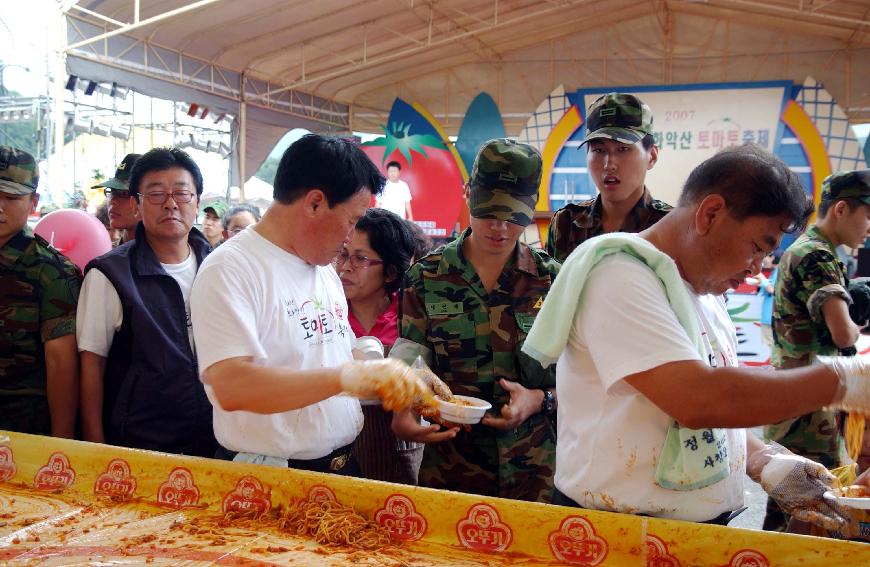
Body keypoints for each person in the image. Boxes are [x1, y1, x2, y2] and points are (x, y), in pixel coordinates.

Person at [522, 144, 870, 533]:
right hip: (619, 533)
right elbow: (698, 399)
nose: (756, 269)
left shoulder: (703, 292)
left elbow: (708, 404)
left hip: (683, 532)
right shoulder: (619, 275)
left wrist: (762, 460)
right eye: (758, 247)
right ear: (711, 213)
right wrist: (841, 380)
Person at [189, 134, 430, 476]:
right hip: (273, 474)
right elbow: (231, 385)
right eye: (351, 220)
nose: (350, 236)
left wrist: (374, 362)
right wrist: (349, 376)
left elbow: (332, 351)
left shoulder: (322, 270)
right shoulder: (232, 268)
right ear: (315, 203)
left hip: (342, 462)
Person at [391, 139, 560, 502]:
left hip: (536, 478)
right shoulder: (427, 276)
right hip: (451, 472)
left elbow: (587, 379)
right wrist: (404, 411)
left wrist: (540, 399)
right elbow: (409, 360)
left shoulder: (554, 282)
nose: (499, 228)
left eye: (512, 216)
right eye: (488, 212)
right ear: (468, 194)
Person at [77, 147, 217, 456]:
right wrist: (95, 449)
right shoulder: (110, 275)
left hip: (216, 440)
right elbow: (92, 367)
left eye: (182, 194)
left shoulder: (219, 267)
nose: (170, 204)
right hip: (141, 444)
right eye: (155, 194)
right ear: (138, 205)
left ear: (197, 204)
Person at [765, 169, 870, 531]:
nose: (869, 226)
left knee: (795, 508)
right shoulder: (818, 256)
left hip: (797, 400)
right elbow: (844, 335)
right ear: (841, 209)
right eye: (867, 215)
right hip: (808, 410)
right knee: (808, 510)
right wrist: (858, 320)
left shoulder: (809, 250)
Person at [0, 146, 81, 437]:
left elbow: (61, 364)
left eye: (11, 198)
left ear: (33, 202)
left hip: (21, 433)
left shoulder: (51, 271)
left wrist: (62, 444)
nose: (0, 206)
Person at [338, 208, 423, 484]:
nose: (345, 267)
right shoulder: (326, 313)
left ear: (390, 272)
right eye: (342, 254)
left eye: (360, 258)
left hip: (398, 449)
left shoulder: (412, 316)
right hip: (338, 453)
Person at [546, 93, 671, 264]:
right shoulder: (566, 224)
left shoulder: (670, 226)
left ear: (652, 156)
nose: (609, 164)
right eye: (599, 150)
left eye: (623, 149)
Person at [92, 153, 141, 246]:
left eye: (124, 194)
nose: (113, 201)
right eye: (111, 191)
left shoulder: (167, 255)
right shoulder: (105, 255)